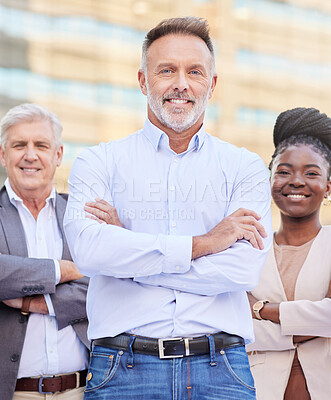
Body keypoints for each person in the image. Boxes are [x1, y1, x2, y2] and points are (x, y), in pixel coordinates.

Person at [64, 17, 272, 399]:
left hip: (221, 368)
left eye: (194, 71)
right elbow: (90, 252)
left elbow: (242, 270)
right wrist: (205, 243)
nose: (181, 83)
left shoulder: (245, 167)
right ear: (143, 81)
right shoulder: (98, 162)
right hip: (122, 370)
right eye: (167, 70)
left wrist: (128, 254)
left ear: (212, 84)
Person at [0, 103, 90, 400]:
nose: (30, 155)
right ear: (3, 155)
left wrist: (31, 301)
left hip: (82, 390)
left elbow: (107, 284)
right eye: (18, 145)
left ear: (58, 155)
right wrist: (65, 271)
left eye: (40, 145)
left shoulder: (82, 216)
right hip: (13, 393)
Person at [246, 107, 331, 400]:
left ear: (328, 186)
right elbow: (235, 330)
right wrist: (313, 325)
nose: (296, 181)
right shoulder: (248, 247)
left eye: (311, 173)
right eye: (284, 171)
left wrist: (260, 309)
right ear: (270, 180)